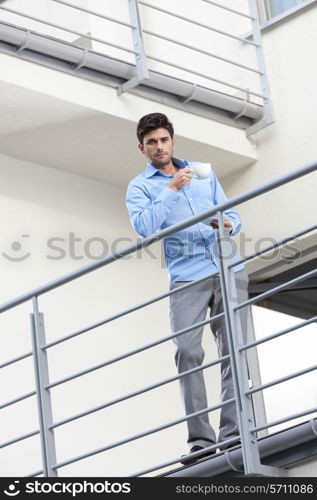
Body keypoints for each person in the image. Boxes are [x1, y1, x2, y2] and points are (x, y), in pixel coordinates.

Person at [126, 112, 249, 465]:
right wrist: (171, 189)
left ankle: (235, 433)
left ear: (173, 141)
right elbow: (145, 228)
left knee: (234, 350)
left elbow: (233, 215)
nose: (159, 146)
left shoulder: (202, 172)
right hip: (186, 275)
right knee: (187, 351)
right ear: (142, 148)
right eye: (152, 142)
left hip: (228, 266)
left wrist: (228, 222)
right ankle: (200, 442)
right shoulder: (142, 187)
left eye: (164, 140)